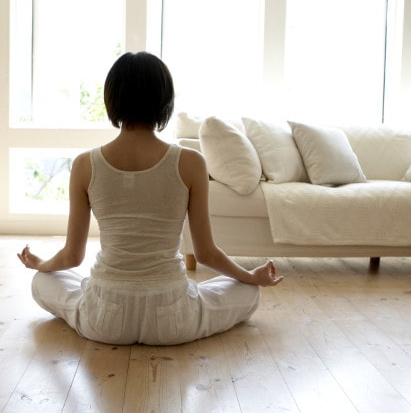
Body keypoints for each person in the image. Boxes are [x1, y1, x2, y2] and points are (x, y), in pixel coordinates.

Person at [17, 52, 283, 345]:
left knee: (42, 281)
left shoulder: (84, 164)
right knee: (248, 291)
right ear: (165, 101)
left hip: (104, 318)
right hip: (172, 319)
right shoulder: (191, 163)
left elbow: (72, 256)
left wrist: (40, 264)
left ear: (112, 99)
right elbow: (206, 253)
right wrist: (250, 276)